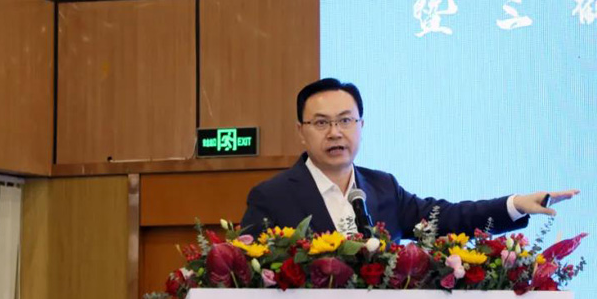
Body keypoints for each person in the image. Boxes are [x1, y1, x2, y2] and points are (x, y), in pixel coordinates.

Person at [240, 78, 579, 241]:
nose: (335, 133)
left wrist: (515, 204)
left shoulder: (382, 187)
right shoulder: (272, 197)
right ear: (301, 131)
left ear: (361, 126)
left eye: (345, 120)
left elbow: (447, 217)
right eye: (321, 123)